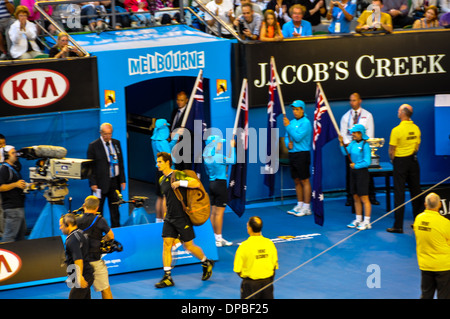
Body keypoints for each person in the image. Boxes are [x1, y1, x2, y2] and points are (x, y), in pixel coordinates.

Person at [154, 152, 214, 288]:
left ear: (168, 162)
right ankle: (167, 276)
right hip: (170, 218)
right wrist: (165, 216)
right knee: (166, 245)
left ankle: (206, 262)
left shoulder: (178, 174)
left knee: (189, 246)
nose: (157, 164)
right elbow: (165, 198)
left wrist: (180, 183)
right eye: (157, 162)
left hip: (182, 217)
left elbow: (196, 183)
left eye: (160, 162)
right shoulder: (161, 180)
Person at [387, 104, 422, 233]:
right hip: (413, 161)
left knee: (399, 193)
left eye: (399, 110)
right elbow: (417, 147)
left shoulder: (396, 130)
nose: (397, 111)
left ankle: (398, 226)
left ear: (402, 113)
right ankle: (418, 222)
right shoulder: (416, 128)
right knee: (416, 191)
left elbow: (392, 150)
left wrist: (394, 160)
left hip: (400, 162)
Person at [339, 93, 378, 206]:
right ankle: (350, 197)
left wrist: (364, 145)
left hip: (364, 148)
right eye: (351, 100)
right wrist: (350, 145)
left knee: (366, 173)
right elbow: (343, 133)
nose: (352, 103)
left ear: (360, 101)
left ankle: (371, 195)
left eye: (354, 100)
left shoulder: (367, 115)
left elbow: (370, 132)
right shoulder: (346, 117)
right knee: (350, 173)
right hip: (351, 150)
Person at [87, 123, 126, 228]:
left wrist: (122, 179)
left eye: (110, 134)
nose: (108, 136)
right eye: (105, 134)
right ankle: (98, 231)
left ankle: (116, 230)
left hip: (115, 182)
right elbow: (90, 167)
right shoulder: (93, 146)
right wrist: (93, 183)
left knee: (115, 209)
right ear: (100, 133)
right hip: (100, 184)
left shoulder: (116, 143)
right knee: (98, 210)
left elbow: (121, 162)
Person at [413, 192, 450, 299]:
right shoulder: (445, 223)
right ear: (439, 205)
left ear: (425, 204)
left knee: (426, 295)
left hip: (425, 265)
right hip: (444, 266)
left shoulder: (418, 219)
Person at [76, 195, 114, 299]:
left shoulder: (77, 220)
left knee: (81, 292)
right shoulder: (100, 220)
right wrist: (103, 240)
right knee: (105, 289)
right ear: (97, 207)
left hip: (80, 261)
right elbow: (111, 235)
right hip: (95, 261)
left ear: (84, 206)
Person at [233, 216, 278, 299]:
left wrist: (247, 280)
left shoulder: (244, 246)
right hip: (267, 283)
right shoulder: (269, 243)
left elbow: (237, 269)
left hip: (250, 285)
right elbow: (274, 265)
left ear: (249, 228)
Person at [203, 135, 236, 247]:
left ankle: (212, 237)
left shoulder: (207, 157)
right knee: (220, 214)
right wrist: (233, 147)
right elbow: (233, 160)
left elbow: (208, 172)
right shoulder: (219, 156)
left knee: (213, 212)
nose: (221, 144)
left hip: (212, 184)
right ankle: (219, 239)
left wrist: (222, 170)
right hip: (220, 185)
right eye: (219, 143)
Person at [338, 125, 372, 230]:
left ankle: (366, 221)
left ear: (361, 133)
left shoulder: (365, 145)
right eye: (352, 132)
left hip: (362, 173)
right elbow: (345, 152)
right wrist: (341, 143)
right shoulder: (352, 143)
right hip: (353, 173)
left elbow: (367, 161)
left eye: (355, 132)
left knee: (364, 197)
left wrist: (356, 165)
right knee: (355, 196)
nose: (353, 134)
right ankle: (358, 219)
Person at [283, 100, 313, 217]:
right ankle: (299, 205)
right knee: (296, 180)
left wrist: (288, 126)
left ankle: (307, 207)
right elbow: (287, 137)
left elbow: (298, 137)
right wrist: (287, 144)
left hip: (302, 154)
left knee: (304, 180)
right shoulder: (291, 123)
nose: (295, 111)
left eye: (297, 109)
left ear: (302, 110)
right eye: (293, 109)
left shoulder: (306, 123)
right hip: (293, 154)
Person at [60, 213, 94, 299]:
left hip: (83, 276)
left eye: (61, 225)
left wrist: (79, 277)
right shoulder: (81, 233)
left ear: (68, 224)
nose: (60, 228)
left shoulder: (72, 240)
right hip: (87, 274)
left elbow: (78, 259)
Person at [151, 118, 178, 223]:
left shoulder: (155, 140)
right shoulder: (162, 142)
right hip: (166, 172)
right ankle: (165, 221)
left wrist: (174, 140)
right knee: (166, 198)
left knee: (159, 197)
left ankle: (158, 221)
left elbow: (167, 148)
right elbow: (169, 157)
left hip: (158, 171)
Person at [0, 146, 27, 243]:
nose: (16, 155)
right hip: (12, 208)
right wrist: (15, 184)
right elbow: (1, 187)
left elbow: (18, 185)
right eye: (13, 153)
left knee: (20, 237)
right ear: (6, 155)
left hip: (18, 207)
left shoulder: (14, 169)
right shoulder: (4, 169)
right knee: (9, 237)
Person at [170, 91, 193, 171]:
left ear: (187, 100)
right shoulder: (174, 111)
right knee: (177, 170)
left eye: (182, 100)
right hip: (175, 146)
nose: (179, 102)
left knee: (186, 171)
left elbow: (194, 129)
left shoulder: (190, 113)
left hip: (186, 147)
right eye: (178, 100)